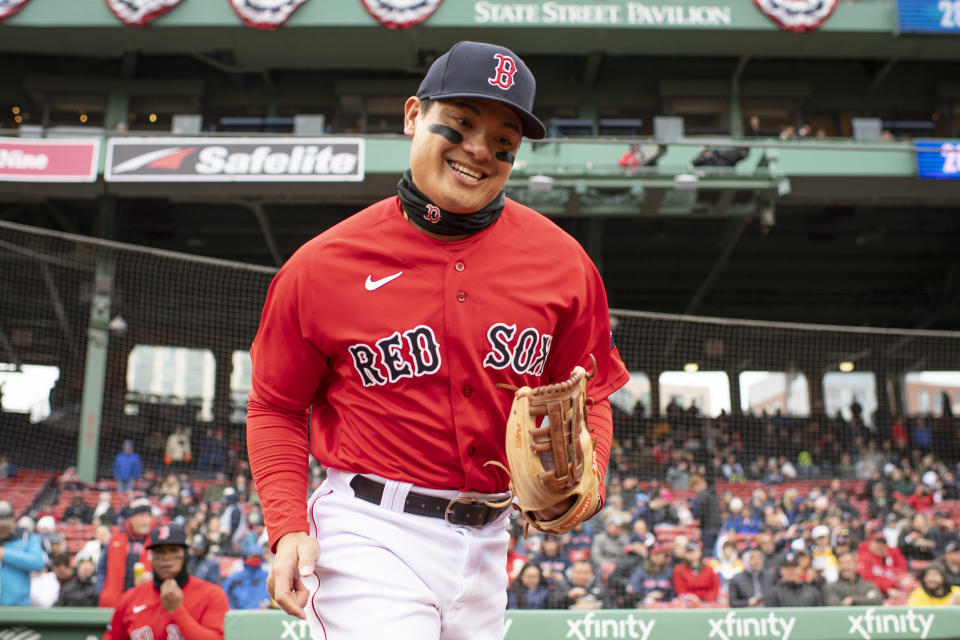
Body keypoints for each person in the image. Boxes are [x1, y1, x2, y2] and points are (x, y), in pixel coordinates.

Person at [246, 40, 628, 640]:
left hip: (490, 543)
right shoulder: (322, 266)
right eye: (462, 123)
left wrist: (592, 478)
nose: (480, 150)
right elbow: (277, 405)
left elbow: (592, 392)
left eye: (504, 140)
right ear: (412, 116)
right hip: (371, 529)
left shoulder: (563, 262)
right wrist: (288, 522)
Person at [104, 524, 229, 640]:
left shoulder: (212, 595)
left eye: (173, 550)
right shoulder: (130, 598)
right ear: (152, 556)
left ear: (185, 554)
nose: (166, 558)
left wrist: (177, 610)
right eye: (160, 552)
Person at [97, 497, 154, 608]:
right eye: (142, 516)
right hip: (114, 603)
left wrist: (152, 577)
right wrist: (102, 591)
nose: (146, 521)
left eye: (148, 516)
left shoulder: (156, 541)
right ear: (131, 518)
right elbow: (101, 568)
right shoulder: (115, 538)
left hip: (144, 603)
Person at [0, 501, 46, 606]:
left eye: (5, 525)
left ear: (13, 521)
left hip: (18, 607)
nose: (2, 529)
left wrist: (5, 554)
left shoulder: (26, 537)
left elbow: (38, 562)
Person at [856, 525, 907, 599]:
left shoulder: (886, 559)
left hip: (891, 593)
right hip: (873, 593)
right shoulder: (864, 558)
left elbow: (900, 571)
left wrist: (896, 584)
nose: (881, 546)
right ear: (871, 543)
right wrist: (887, 589)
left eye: (883, 543)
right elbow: (866, 579)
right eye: (878, 543)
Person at [222, 545, 271, 610]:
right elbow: (225, 594)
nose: (255, 559)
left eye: (257, 557)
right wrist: (232, 610)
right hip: (237, 615)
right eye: (252, 556)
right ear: (245, 558)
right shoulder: (235, 577)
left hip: (260, 614)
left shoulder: (267, 577)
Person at [626, 543, 674, 608]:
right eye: (656, 554)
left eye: (661, 554)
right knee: (648, 601)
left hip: (666, 604)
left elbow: (674, 592)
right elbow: (633, 590)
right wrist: (647, 595)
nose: (660, 557)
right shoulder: (641, 571)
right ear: (649, 556)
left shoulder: (669, 571)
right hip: (645, 603)